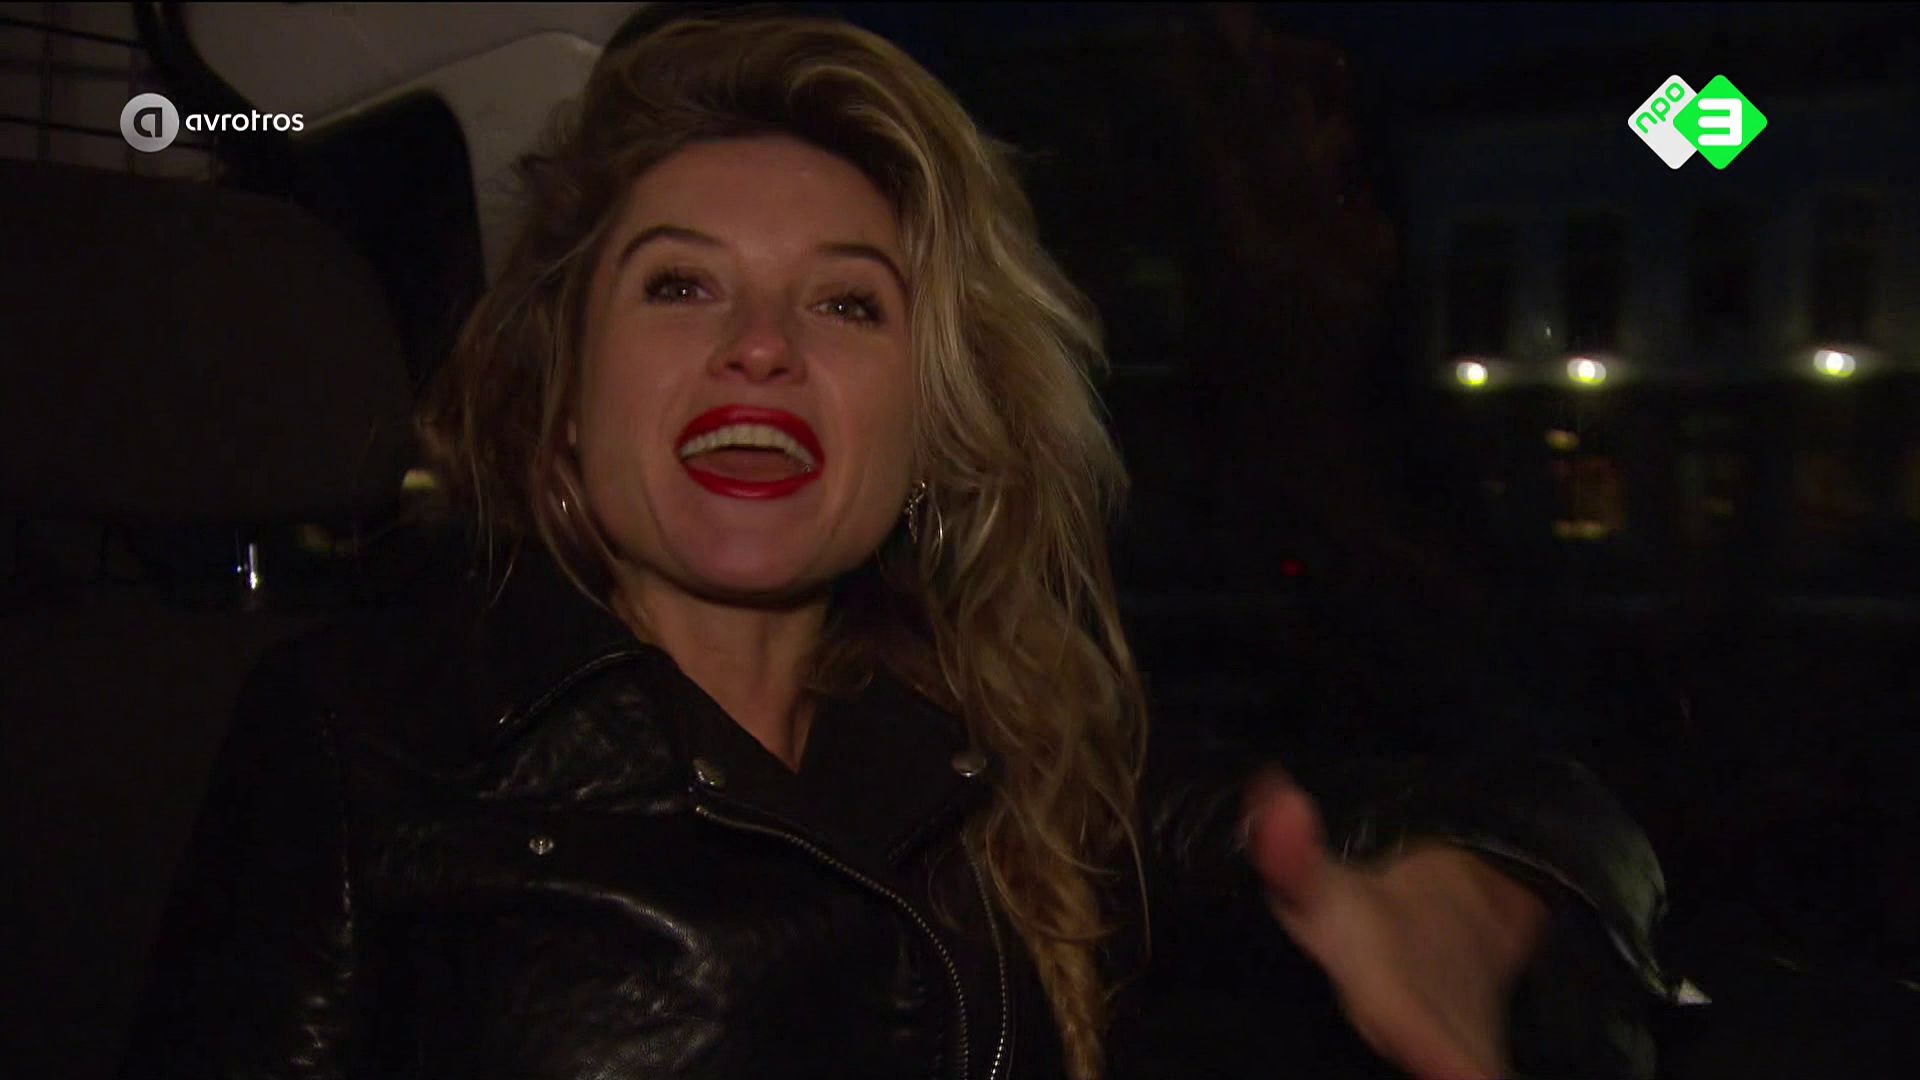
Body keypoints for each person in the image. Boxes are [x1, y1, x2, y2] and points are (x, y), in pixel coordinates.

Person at [119, 13, 1674, 1080]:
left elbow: (1554, 808)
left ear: (927, 428)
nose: (763, 345)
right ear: (563, 408)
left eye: (849, 303)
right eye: (680, 285)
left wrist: (1479, 893)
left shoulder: (1005, 761)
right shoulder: (366, 735)